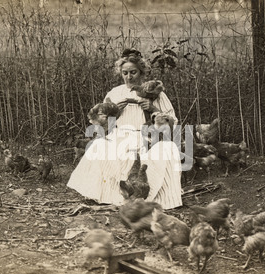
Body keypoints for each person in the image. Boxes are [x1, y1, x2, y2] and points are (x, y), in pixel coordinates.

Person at [66, 48, 183, 209]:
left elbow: (173, 123)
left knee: (167, 148)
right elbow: (103, 126)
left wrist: (153, 109)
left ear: (142, 72)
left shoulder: (155, 92)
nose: (129, 77)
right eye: (125, 73)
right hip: (119, 135)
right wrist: (115, 113)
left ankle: (158, 199)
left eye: (133, 72)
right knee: (99, 145)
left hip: (147, 136)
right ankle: (111, 196)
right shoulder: (115, 93)